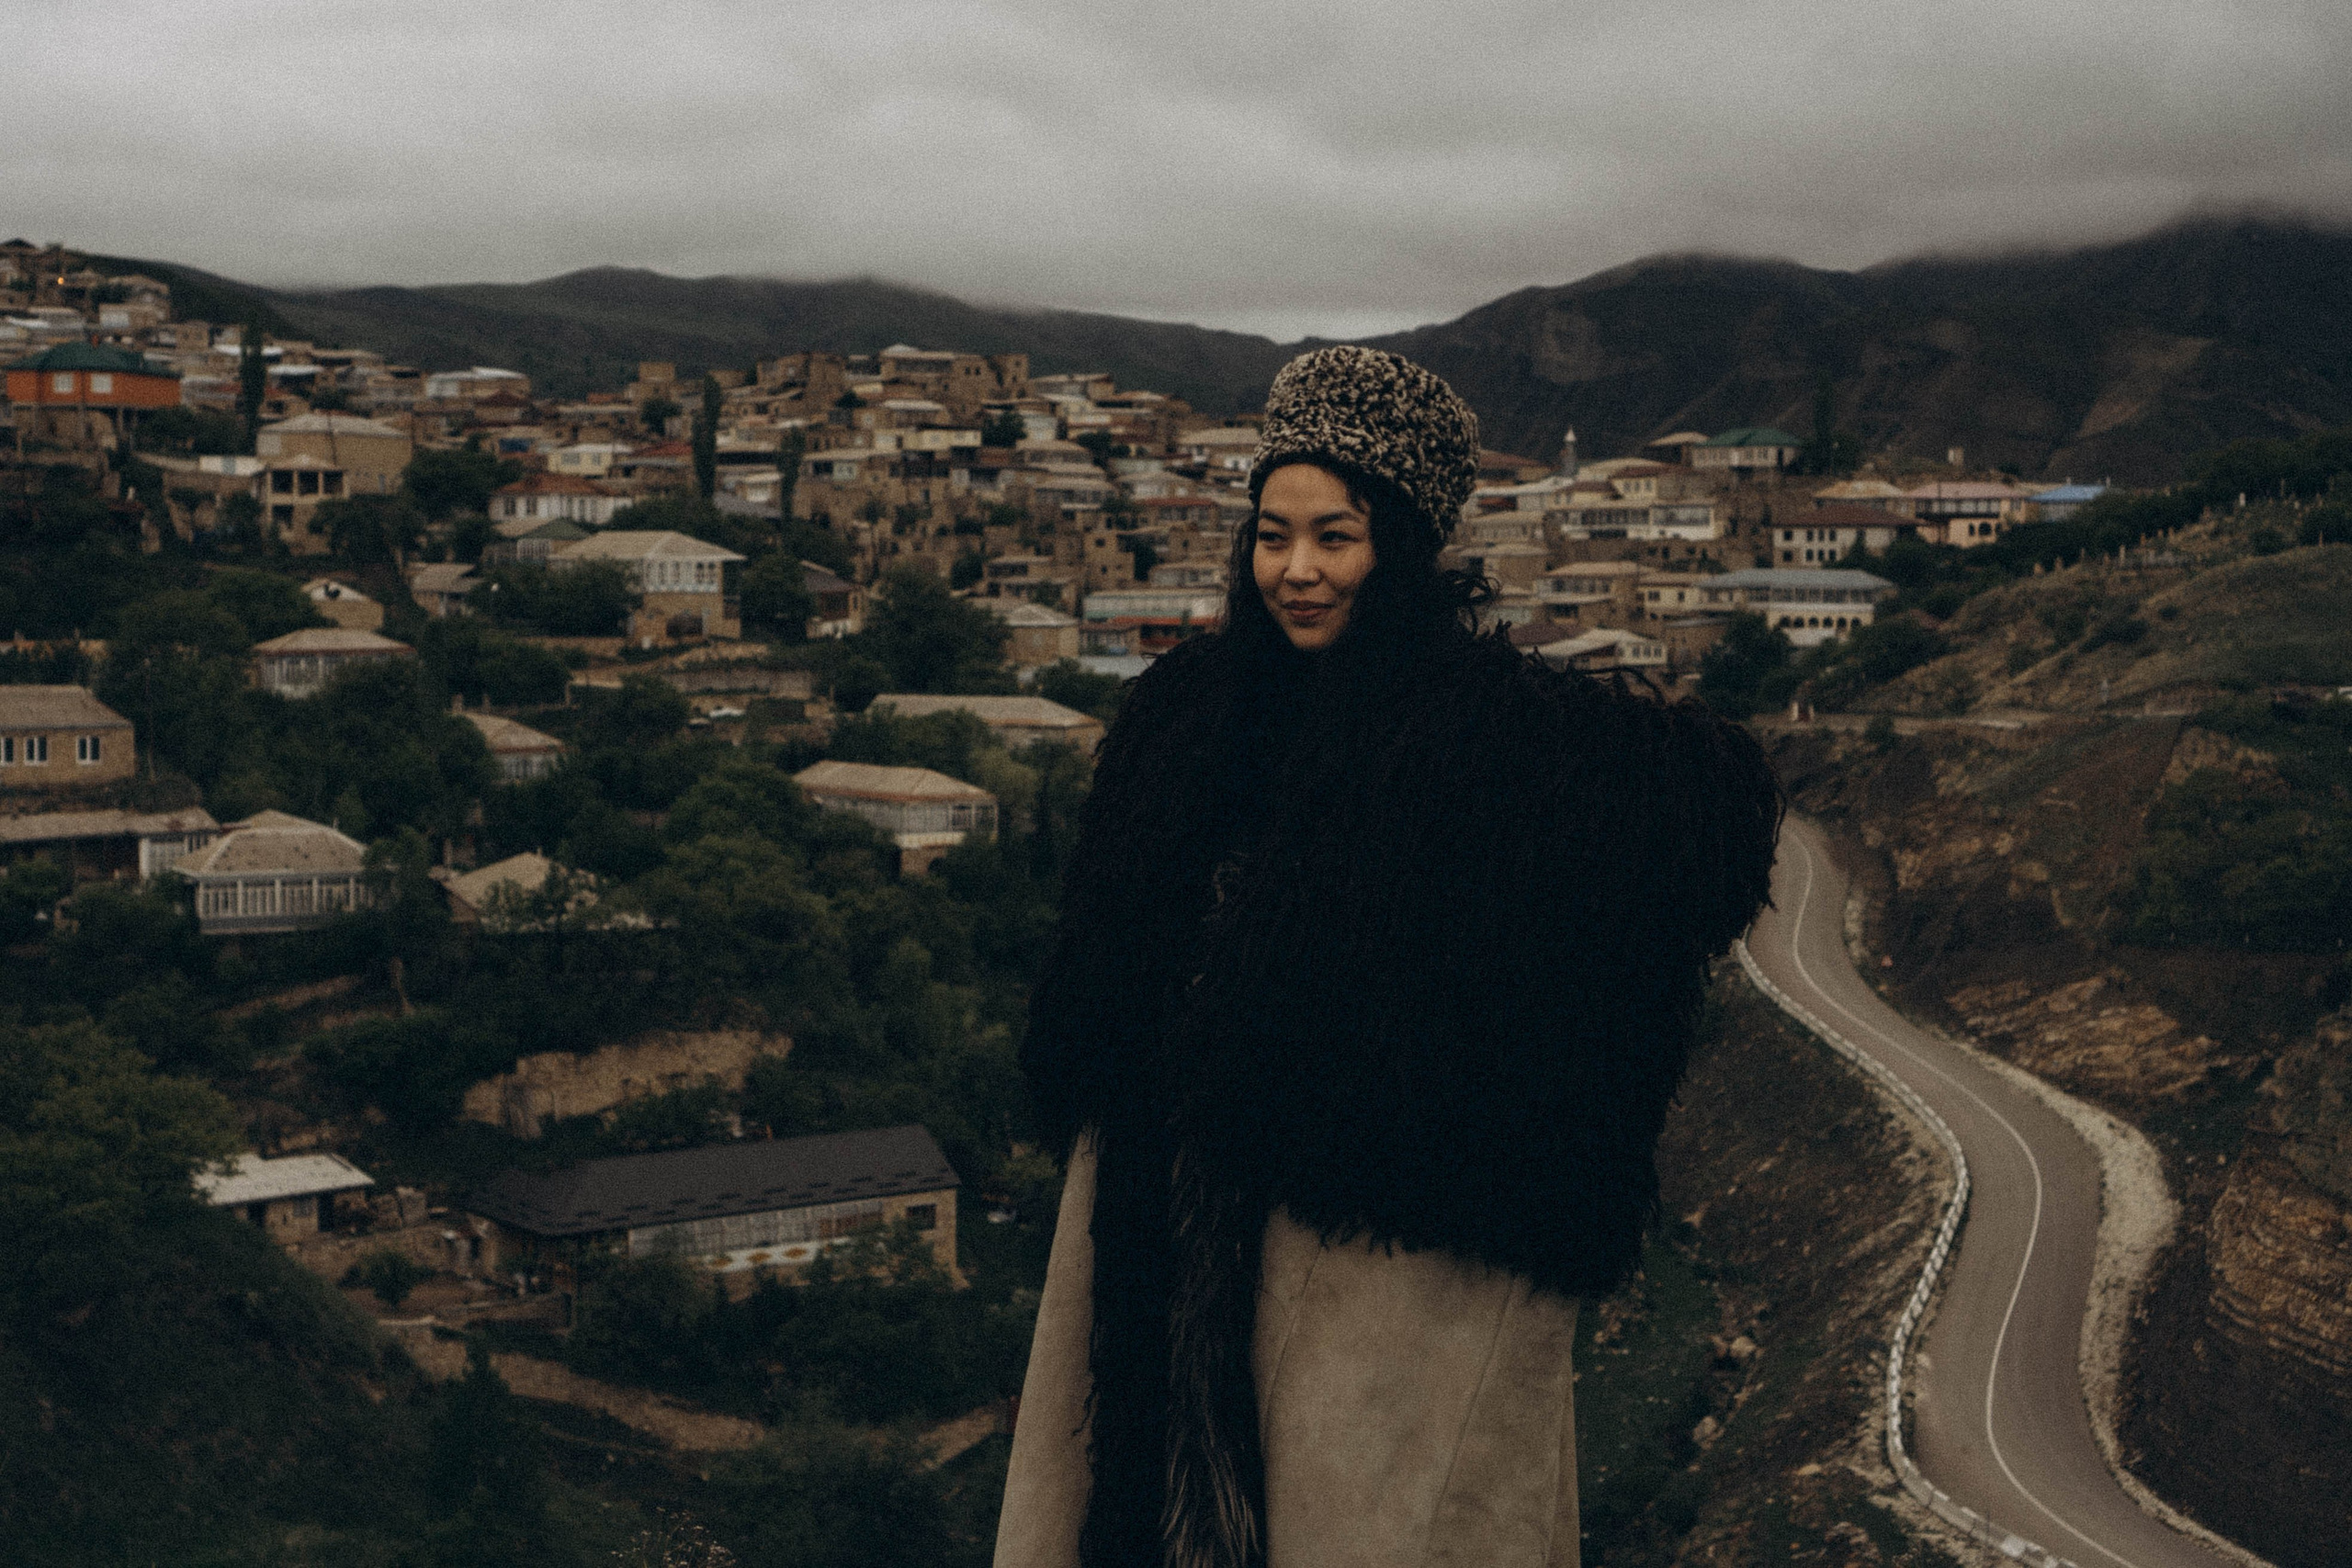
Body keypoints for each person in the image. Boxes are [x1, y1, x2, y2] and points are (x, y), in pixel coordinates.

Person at [996, 346, 1781, 1568]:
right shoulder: (1189, 718)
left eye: (1336, 538)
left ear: (1402, 547)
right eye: (1272, 535)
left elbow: (1703, 832)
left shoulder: (1490, 736)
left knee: (1364, 1515)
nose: (1296, 571)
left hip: (1361, 1251)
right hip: (1153, 1220)